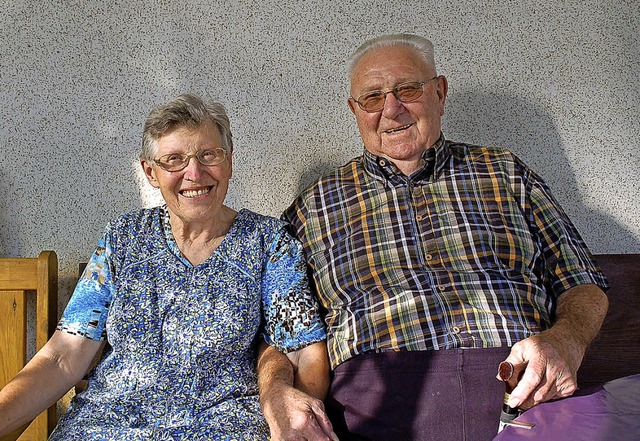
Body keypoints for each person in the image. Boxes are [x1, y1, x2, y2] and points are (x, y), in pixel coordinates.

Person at [282, 34, 610, 440]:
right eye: (372, 98)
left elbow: (582, 282)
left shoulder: (504, 172)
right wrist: (278, 392)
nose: (391, 109)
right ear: (354, 110)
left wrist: (566, 341)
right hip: (379, 407)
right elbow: (281, 329)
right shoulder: (312, 208)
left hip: (523, 388)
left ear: (439, 92)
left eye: (407, 89)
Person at [0, 93, 336, 440]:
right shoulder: (123, 238)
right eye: (174, 159)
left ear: (229, 162)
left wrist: (292, 420)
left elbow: (304, 354)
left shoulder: (269, 242)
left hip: (223, 426)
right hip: (106, 426)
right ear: (151, 172)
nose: (194, 173)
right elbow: (63, 357)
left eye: (209, 155)